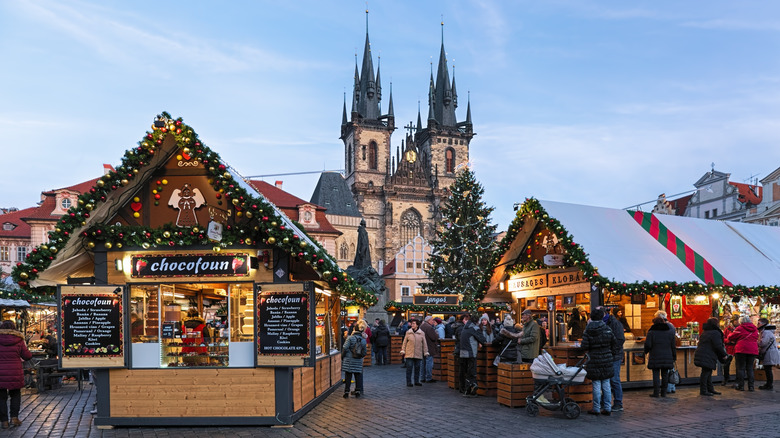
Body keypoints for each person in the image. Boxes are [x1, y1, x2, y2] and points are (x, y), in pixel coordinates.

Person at [580, 307, 617, 416]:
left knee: (596, 383)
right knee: (606, 383)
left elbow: (584, 346)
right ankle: (608, 407)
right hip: (606, 358)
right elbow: (614, 344)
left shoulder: (588, 330)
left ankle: (596, 408)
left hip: (594, 358)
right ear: (602, 317)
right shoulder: (607, 329)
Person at [0, 320, 32, 429]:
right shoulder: (19, 340)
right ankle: (14, 418)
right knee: (15, 395)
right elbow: (26, 355)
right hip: (15, 372)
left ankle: (4, 421)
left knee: (1, 397)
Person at [693, 318, 727, 396]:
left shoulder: (706, 332)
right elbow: (718, 346)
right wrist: (724, 355)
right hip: (708, 354)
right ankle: (704, 390)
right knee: (706, 373)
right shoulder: (715, 333)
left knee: (707, 372)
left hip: (704, 354)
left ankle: (709, 389)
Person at [644, 316, 677, 398]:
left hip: (655, 355)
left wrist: (646, 351)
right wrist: (674, 356)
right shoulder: (669, 332)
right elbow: (673, 346)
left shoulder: (651, 332)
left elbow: (648, 344)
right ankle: (664, 393)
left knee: (656, 375)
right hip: (667, 356)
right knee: (665, 374)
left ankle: (656, 393)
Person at [726, 315, 759, 391]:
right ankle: (751, 386)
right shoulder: (755, 329)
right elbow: (757, 337)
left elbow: (730, 337)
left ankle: (741, 386)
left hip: (741, 349)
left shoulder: (740, 328)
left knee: (741, 368)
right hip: (752, 350)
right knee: (750, 368)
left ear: (741, 321)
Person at [457, 313, 486, 396]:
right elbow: (483, 339)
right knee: (471, 371)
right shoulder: (474, 328)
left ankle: (464, 389)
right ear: (477, 321)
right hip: (471, 353)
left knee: (464, 371)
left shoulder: (465, 328)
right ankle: (470, 389)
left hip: (463, 352)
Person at [604, 306, 626, 411]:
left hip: (614, 355)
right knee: (607, 379)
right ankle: (607, 402)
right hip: (608, 354)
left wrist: (612, 350)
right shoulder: (603, 323)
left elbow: (620, 339)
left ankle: (618, 402)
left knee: (614, 379)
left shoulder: (615, 324)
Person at [342, 320, 367, 398]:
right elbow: (364, 352)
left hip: (349, 360)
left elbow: (345, 347)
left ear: (354, 330)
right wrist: (360, 357)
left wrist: (343, 356)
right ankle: (358, 391)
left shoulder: (350, 338)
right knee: (358, 376)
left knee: (348, 376)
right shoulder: (363, 340)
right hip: (358, 360)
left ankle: (346, 392)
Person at [400, 319, 428, 387]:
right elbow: (404, 342)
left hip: (418, 352)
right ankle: (409, 382)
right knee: (409, 368)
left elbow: (424, 343)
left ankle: (416, 381)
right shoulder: (408, 332)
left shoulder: (421, 333)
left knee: (417, 368)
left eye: (414, 324)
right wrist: (403, 350)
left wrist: (426, 351)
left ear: (417, 325)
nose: (412, 325)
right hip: (409, 353)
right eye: (412, 323)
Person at [757, 317, 779, 390]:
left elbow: (763, 343)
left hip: (769, 353)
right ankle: (769, 384)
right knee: (768, 369)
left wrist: (757, 342)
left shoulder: (766, 332)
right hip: (769, 352)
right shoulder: (766, 331)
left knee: (768, 369)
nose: (757, 325)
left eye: (759, 323)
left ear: (763, 324)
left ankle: (769, 384)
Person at [420, 316, 440, 383]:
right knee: (429, 362)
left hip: (422, 346)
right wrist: (436, 334)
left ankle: (422, 377)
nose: (433, 321)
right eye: (432, 320)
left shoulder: (422, 326)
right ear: (428, 320)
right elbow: (434, 337)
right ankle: (428, 377)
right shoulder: (429, 327)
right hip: (429, 347)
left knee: (423, 363)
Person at [722, 315, 739, 386]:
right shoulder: (727, 329)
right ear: (733, 321)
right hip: (729, 348)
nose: (738, 322)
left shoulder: (740, 328)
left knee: (738, 365)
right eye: (736, 320)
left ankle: (737, 380)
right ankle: (726, 378)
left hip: (737, 348)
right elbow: (723, 338)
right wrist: (728, 341)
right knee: (726, 364)